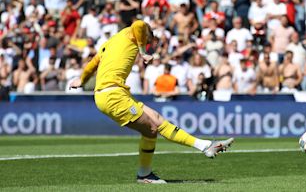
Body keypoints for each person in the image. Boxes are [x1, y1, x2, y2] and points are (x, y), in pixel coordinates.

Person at [69, 20, 234, 183]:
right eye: (147, 41)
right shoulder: (130, 34)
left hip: (114, 93)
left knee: (156, 119)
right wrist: (142, 51)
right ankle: (144, 175)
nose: (146, 44)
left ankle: (205, 146)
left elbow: (92, 65)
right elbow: (139, 24)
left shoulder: (110, 43)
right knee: (151, 130)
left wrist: (82, 81)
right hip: (112, 95)